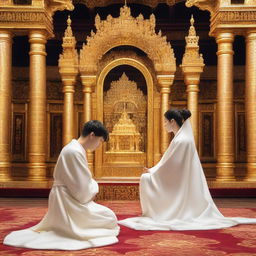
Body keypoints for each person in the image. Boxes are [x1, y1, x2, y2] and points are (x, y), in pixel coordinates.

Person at [119, 109, 256, 230]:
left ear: (172, 121)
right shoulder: (180, 138)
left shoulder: (181, 140)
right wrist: (153, 170)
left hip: (179, 181)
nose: (164, 124)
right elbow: (170, 163)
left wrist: (152, 172)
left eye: (165, 121)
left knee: (146, 179)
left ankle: (160, 213)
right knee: (147, 177)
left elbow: (172, 165)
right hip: (179, 178)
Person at [4, 120, 120, 250]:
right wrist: (94, 185)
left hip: (68, 197)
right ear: (92, 135)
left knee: (108, 218)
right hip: (67, 201)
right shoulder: (74, 151)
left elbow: (80, 183)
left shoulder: (75, 149)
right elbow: (82, 192)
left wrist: (90, 183)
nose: (99, 145)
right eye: (100, 141)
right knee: (109, 218)